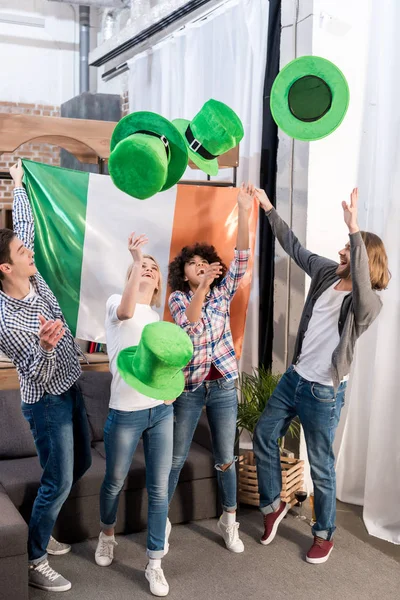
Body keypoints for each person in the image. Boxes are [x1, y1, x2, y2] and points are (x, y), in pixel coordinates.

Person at [253, 187, 390, 564]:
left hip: (323, 393)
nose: (342, 252)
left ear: (364, 258)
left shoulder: (368, 304)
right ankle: (272, 506)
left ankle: (324, 534)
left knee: (322, 466)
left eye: (349, 250)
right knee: (264, 435)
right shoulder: (328, 273)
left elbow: (361, 281)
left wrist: (355, 229)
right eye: (345, 247)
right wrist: (268, 208)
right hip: (294, 379)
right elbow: (295, 247)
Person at [0, 160, 92, 592]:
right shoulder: (7, 321)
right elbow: (35, 370)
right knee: (57, 480)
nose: (30, 251)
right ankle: (35, 557)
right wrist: (46, 347)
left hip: (71, 385)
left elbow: (25, 229)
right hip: (45, 400)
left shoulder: (30, 277)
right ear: (5, 268)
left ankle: (43, 525)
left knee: (82, 462)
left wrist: (19, 184)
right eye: (22, 253)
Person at [167, 183, 254, 553]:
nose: (200, 267)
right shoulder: (177, 298)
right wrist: (202, 287)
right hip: (189, 387)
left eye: (205, 263)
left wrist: (244, 210)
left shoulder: (223, 292)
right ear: (184, 273)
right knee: (175, 457)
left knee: (225, 457)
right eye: (193, 264)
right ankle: (162, 519)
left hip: (222, 386)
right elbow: (190, 324)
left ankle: (229, 520)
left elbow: (244, 256)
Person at [95, 233, 172, 597]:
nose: (148, 269)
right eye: (143, 266)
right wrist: (138, 256)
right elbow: (126, 312)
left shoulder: (157, 317)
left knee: (159, 490)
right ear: (132, 273)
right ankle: (107, 533)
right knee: (114, 481)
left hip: (160, 411)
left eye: (153, 269)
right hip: (124, 413)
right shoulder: (116, 304)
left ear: (157, 283)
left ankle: (154, 562)